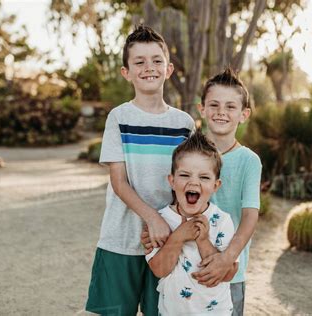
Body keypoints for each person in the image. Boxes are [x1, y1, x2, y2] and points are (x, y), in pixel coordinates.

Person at [85, 25, 195, 315]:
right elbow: (119, 182)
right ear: (127, 72)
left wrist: (170, 225)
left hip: (167, 243)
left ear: (169, 69)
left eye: (157, 60)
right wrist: (152, 218)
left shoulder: (185, 124)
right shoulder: (119, 117)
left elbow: (188, 183)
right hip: (120, 239)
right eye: (139, 62)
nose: (149, 68)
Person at [143, 68, 262, 315]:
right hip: (180, 265)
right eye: (214, 105)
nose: (221, 112)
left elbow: (250, 216)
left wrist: (227, 258)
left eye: (231, 106)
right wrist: (155, 227)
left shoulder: (249, 160)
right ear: (202, 109)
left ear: (244, 114)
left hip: (228, 266)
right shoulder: (187, 152)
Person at [146, 130, 238, 315]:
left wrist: (203, 240)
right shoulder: (159, 221)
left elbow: (227, 274)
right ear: (171, 181)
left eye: (204, 177)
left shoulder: (222, 220)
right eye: (185, 175)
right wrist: (178, 236)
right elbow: (160, 270)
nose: (193, 183)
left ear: (215, 185)